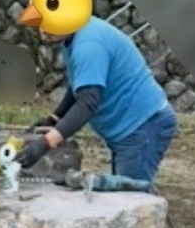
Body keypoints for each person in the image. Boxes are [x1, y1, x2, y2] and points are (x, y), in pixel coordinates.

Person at [17, 15, 179, 186]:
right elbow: (82, 83)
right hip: (130, 125)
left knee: (131, 195)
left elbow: (87, 104)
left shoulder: (88, 45)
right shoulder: (73, 35)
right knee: (122, 191)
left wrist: (45, 143)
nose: (43, 30)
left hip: (142, 125)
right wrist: (55, 118)